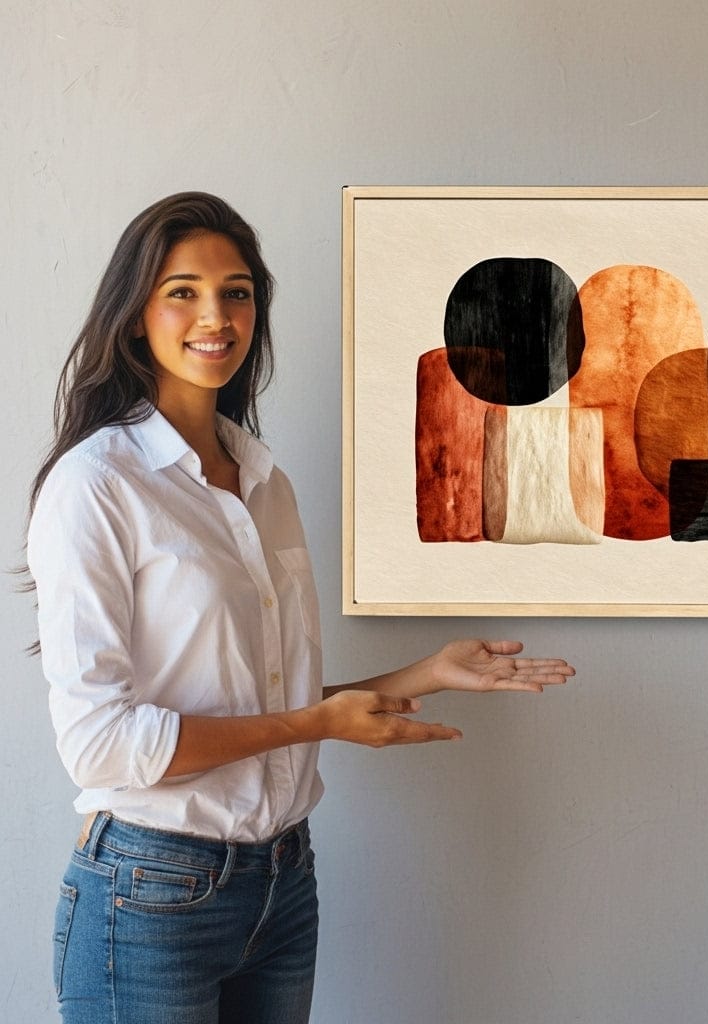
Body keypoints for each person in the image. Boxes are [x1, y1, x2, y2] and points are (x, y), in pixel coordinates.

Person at [25, 191, 575, 1024]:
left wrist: (427, 670)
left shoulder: (263, 480)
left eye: (237, 292)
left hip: (284, 884)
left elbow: (258, 700)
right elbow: (103, 745)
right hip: (151, 894)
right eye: (183, 290)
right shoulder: (96, 485)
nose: (216, 315)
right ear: (135, 315)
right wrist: (317, 727)